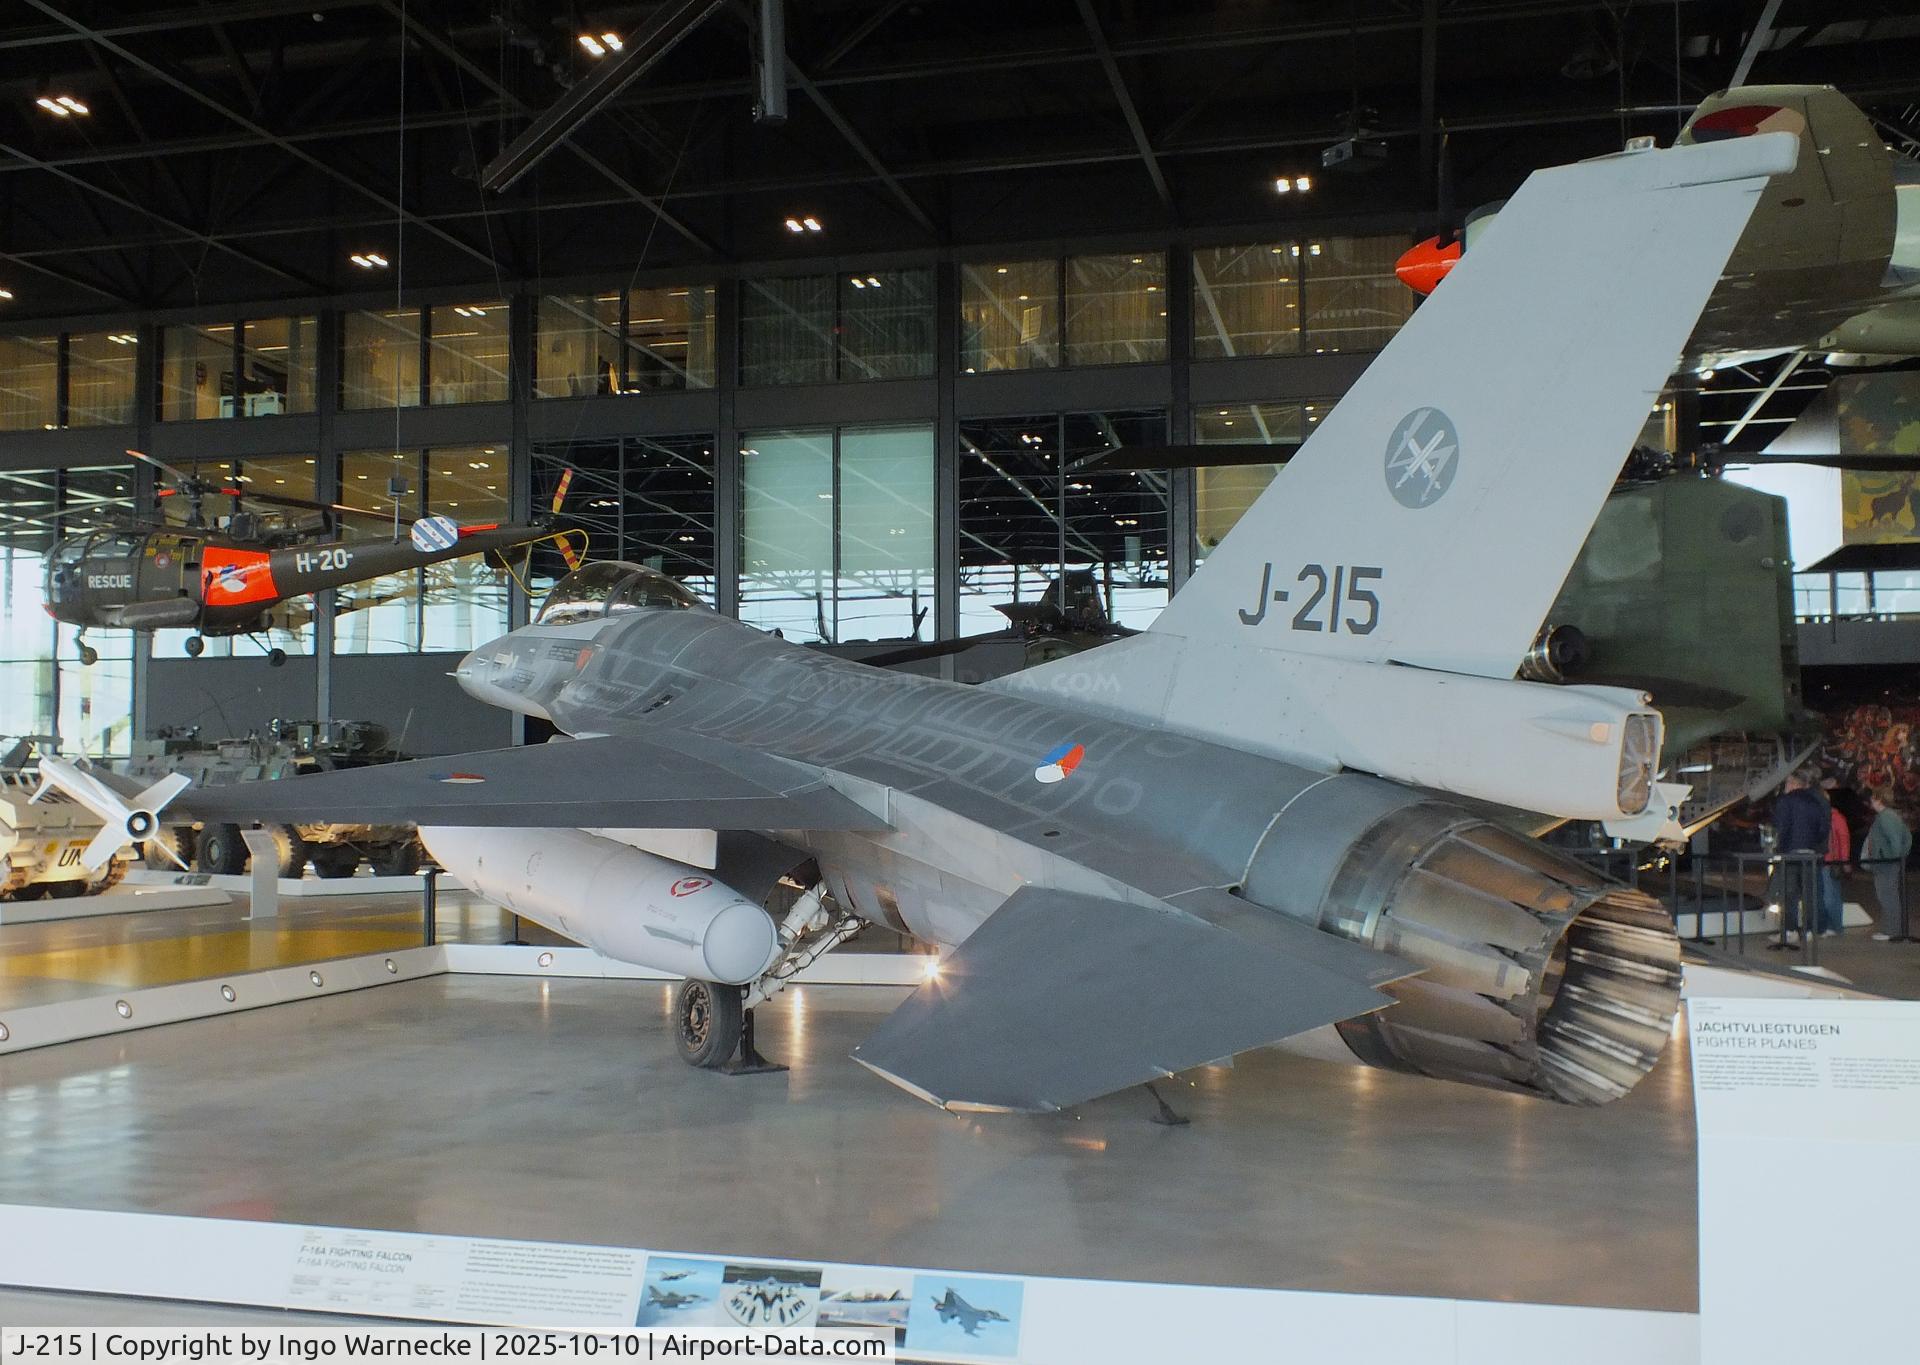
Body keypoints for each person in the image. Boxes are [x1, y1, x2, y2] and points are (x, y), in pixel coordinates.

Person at [1770, 768, 1829, 944]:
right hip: (1811, 852)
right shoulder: (1817, 801)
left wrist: (1779, 847)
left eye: (1787, 782)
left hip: (1790, 852)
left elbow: (1782, 827)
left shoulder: (1786, 801)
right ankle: (1810, 929)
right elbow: (1823, 828)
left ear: (1794, 783)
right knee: (1810, 893)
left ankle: (1790, 930)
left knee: (1789, 894)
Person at [1864, 788, 1912, 942]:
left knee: (1887, 896)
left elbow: (1895, 840)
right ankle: (1891, 929)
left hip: (1886, 864)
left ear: (1879, 799)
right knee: (1889, 895)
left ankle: (1891, 930)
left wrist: (1892, 857)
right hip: (1887, 863)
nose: (1871, 801)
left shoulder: (1886, 818)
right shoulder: (1890, 816)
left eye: (1873, 798)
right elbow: (1906, 837)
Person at [1820, 777, 1850, 937]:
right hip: (1827, 860)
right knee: (1830, 894)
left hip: (1832, 860)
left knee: (1830, 895)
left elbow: (1843, 839)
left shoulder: (1836, 818)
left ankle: (1834, 925)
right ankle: (1832, 925)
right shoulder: (1833, 817)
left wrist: (1844, 859)